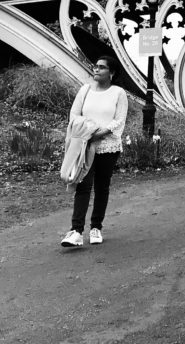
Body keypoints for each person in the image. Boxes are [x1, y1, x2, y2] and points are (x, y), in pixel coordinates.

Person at [61, 56, 128, 249]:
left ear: (112, 73)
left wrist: (101, 133)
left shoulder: (118, 93)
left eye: (101, 67)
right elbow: (74, 115)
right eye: (95, 66)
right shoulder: (85, 90)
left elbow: (119, 120)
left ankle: (96, 227)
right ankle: (76, 231)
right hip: (85, 145)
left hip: (108, 146)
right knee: (82, 184)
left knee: (102, 186)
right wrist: (87, 132)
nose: (96, 70)